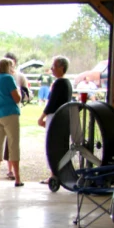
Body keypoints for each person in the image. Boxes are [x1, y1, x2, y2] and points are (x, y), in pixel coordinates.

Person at [0, 58, 23, 187]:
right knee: (13, 144)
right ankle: (17, 178)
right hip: (10, 113)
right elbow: (16, 98)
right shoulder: (8, 78)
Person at [38, 56, 72, 184]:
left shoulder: (59, 83)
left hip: (55, 116)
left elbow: (52, 103)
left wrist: (42, 117)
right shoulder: (67, 83)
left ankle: (53, 174)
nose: (52, 69)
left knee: (51, 145)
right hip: (62, 116)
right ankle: (57, 173)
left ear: (61, 68)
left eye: (54, 66)